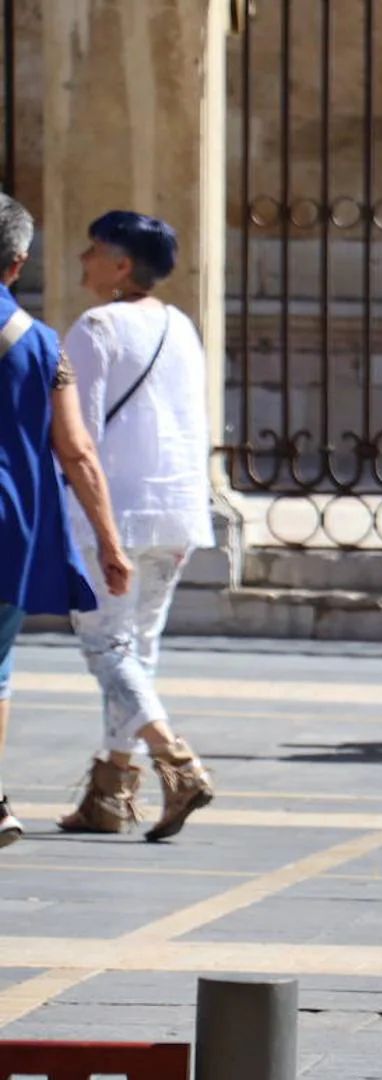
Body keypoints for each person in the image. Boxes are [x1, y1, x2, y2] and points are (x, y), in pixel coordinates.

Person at [51, 211, 217, 843]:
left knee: (106, 647)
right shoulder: (181, 325)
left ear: (122, 267)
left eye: (94, 251)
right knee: (138, 650)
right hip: (175, 510)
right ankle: (110, 789)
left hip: (114, 511)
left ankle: (175, 761)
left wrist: (97, 528)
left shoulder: (95, 328)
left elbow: (79, 438)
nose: (82, 261)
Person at [0, 193, 133, 849]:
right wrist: (109, 542)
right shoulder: (45, 345)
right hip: (10, 526)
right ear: (18, 262)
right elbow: (76, 451)